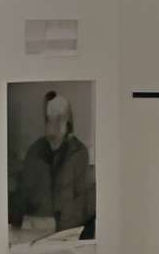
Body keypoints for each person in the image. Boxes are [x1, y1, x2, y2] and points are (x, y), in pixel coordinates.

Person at [11, 88, 96, 237]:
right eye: (50, 118)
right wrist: (18, 221)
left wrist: (57, 224)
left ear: (68, 121)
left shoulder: (78, 153)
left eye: (60, 118)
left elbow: (83, 204)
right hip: (31, 232)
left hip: (65, 233)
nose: (54, 124)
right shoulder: (35, 151)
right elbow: (21, 196)